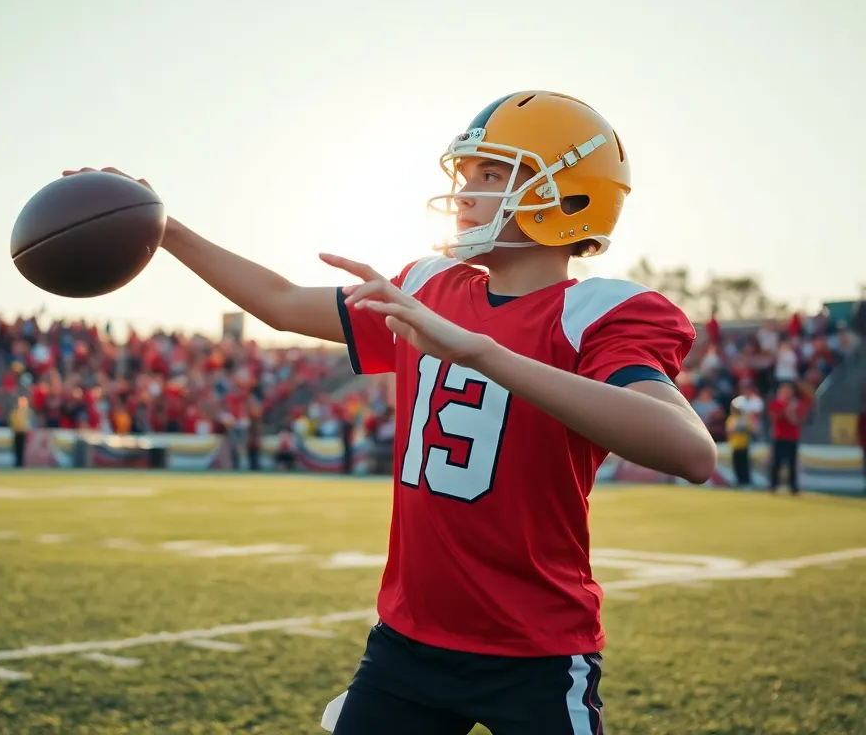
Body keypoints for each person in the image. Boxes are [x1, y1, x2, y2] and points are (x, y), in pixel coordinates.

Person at [70, 90, 717, 734]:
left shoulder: (598, 313)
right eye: (465, 173)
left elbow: (688, 450)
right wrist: (167, 229)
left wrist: (481, 351)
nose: (465, 192)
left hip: (537, 650)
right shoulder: (428, 289)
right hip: (407, 643)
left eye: (491, 173)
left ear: (566, 195)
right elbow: (280, 302)